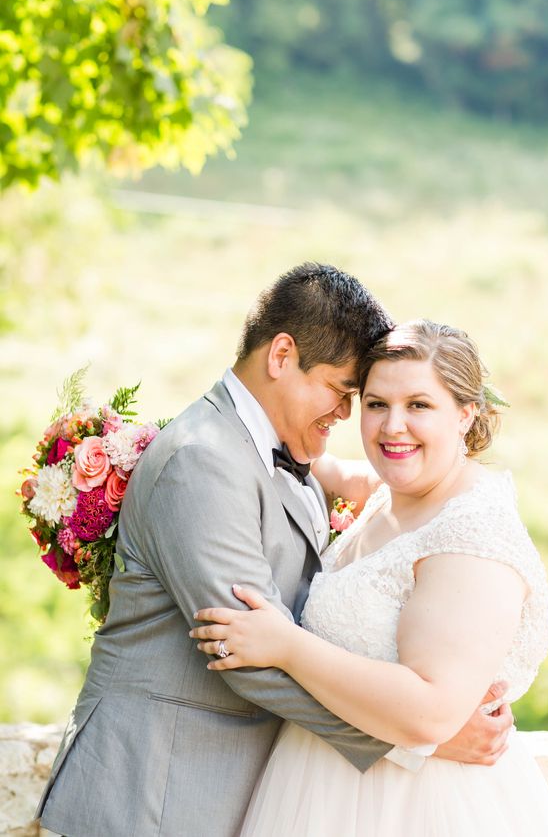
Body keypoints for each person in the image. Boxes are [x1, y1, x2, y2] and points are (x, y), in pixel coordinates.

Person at [38, 269, 512, 837]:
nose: (346, 414)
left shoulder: (283, 454)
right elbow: (249, 654)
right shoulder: (204, 460)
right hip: (152, 793)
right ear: (282, 355)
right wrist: (420, 738)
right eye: (344, 392)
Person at [191, 319, 548, 837]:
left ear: (466, 415)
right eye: (376, 404)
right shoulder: (392, 490)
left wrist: (286, 646)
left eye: (419, 405)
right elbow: (305, 457)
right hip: (316, 788)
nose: (393, 427)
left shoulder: (472, 536)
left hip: (419, 807)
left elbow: (431, 713)